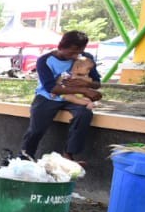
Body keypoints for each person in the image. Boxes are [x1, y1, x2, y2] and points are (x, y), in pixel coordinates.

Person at [20, 31, 101, 164]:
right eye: (71, 53)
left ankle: (68, 154)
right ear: (60, 46)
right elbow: (51, 88)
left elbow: (97, 83)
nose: (75, 56)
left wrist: (88, 83)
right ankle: (25, 156)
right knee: (37, 126)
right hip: (48, 96)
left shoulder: (86, 59)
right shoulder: (45, 60)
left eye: (79, 52)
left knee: (84, 114)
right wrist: (83, 90)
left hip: (73, 97)